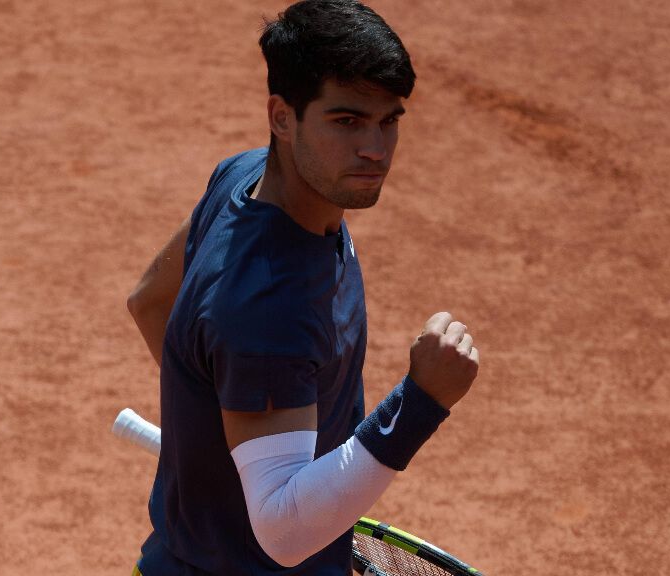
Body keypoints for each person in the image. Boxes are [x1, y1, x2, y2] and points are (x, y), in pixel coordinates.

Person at [126, 1, 480, 574]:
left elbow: (151, 300)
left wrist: (226, 435)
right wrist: (420, 402)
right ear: (282, 116)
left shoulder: (243, 176)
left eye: (389, 120)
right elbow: (287, 534)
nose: (376, 148)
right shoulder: (270, 306)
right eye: (347, 121)